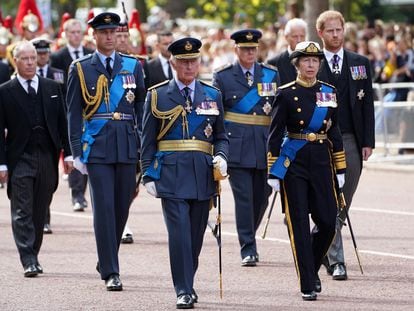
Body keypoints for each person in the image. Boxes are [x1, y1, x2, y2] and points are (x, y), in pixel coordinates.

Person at [141, 37, 228, 309]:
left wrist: (222, 156)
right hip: (171, 173)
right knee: (179, 234)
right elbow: (148, 139)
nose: (190, 67)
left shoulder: (212, 95)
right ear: (173, 63)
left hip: (202, 174)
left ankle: (187, 282)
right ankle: (183, 289)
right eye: (184, 62)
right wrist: (147, 174)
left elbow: (222, 135)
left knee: (195, 236)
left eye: (194, 61)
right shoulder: (157, 95)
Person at [66, 12, 145, 291]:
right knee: (104, 208)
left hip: (125, 144)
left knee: (122, 205)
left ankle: (106, 257)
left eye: (113, 31)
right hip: (97, 146)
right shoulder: (80, 67)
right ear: (94, 36)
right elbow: (73, 113)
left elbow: (142, 111)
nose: (110, 36)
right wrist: (76, 152)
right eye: (104, 32)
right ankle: (111, 270)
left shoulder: (133, 66)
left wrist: (143, 149)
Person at [267, 41, 346, 300]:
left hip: (322, 160)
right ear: (297, 64)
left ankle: (311, 268)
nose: (311, 65)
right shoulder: (286, 93)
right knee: (298, 222)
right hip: (295, 162)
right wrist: (273, 171)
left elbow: (334, 130)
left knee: (328, 220)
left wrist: (341, 166)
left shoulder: (328, 92)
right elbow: (275, 133)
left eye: (315, 61)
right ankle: (307, 283)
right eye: (305, 60)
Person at [0, 41, 73, 277]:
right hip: (20, 156)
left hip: (47, 156)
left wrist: (69, 154)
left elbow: (64, 124)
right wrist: (2, 164)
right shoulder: (5, 91)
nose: (31, 62)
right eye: (25, 59)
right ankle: (28, 259)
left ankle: (34, 252)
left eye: (33, 58)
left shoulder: (52, 86)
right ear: (16, 61)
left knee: (39, 210)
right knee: (22, 210)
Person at [212, 29, 279, 266]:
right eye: (245, 48)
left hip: (264, 145)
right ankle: (248, 247)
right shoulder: (223, 77)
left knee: (263, 197)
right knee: (244, 198)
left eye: (253, 48)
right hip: (237, 146)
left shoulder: (271, 74)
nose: (250, 52)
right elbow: (216, 115)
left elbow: (278, 112)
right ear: (236, 50)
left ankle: (248, 232)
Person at [316, 10, 375, 281]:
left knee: (344, 198)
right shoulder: (311, 63)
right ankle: (337, 260)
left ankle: (320, 240)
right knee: (329, 197)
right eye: (330, 31)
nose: (336, 35)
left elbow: (367, 106)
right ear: (321, 33)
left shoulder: (359, 63)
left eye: (339, 29)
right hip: (321, 140)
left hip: (351, 138)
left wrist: (368, 142)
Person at [50, 18, 94, 212]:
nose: (76, 35)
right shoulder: (58, 57)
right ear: (66, 34)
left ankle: (81, 193)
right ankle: (76, 194)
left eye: (79, 31)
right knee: (73, 149)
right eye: (72, 32)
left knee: (86, 150)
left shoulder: (90, 55)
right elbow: (57, 86)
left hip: (89, 112)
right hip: (68, 111)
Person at [31, 37, 65, 234]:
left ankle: (44, 212)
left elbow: (65, 103)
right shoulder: (23, 74)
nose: (42, 57)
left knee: (48, 180)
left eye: (45, 53)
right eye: (39, 53)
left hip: (51, 134)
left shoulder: (58, 75)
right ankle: (39, 217)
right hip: (30, 134)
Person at [267, 18, 307, 85]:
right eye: (295, 36)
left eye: (302, 36)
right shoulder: (274, 63)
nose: (299, 40)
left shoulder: (314, 61)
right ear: (286, 37)